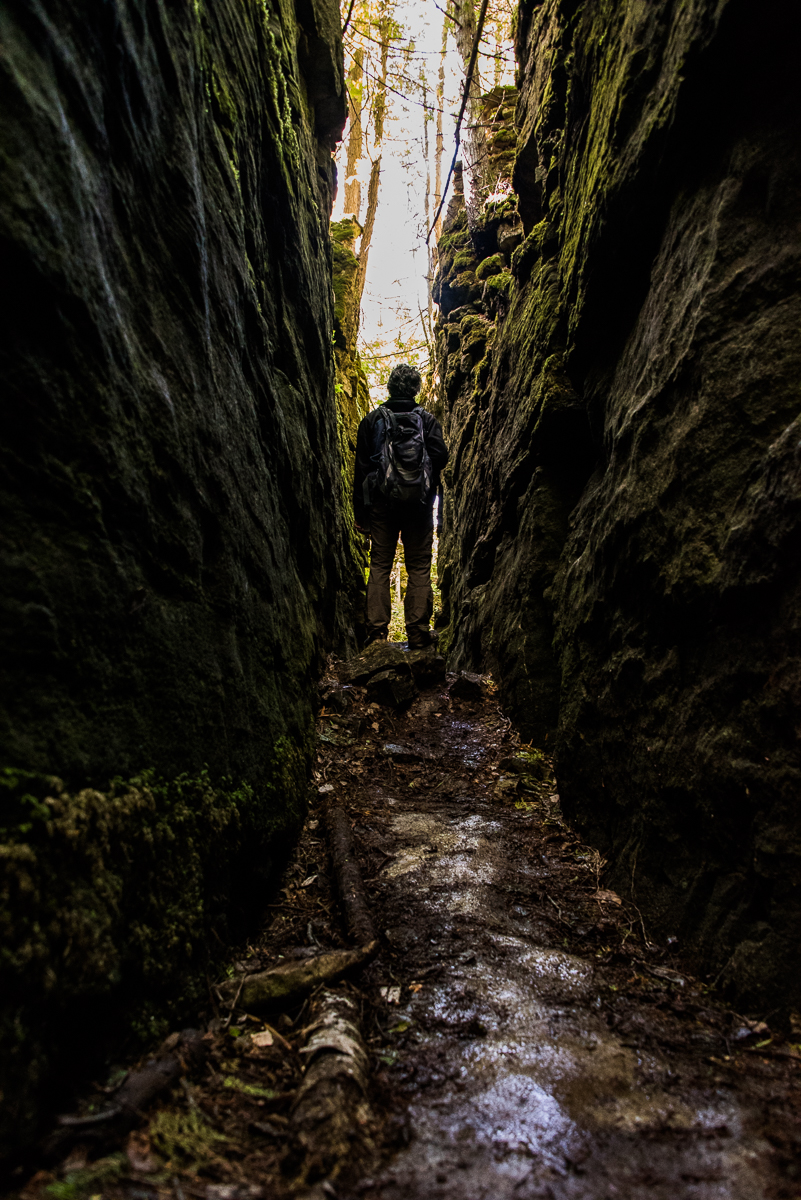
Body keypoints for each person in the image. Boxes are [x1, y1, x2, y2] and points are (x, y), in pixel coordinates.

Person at [354, 364, 449, 648]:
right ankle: (418, 634)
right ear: (416, 389)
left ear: (390, 387)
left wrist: (361, 514)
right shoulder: (427, 420)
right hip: (419, 506)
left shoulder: (372, 420)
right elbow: (441, 457)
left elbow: (360, 471)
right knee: (419, 566)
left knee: (380, 565)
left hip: (382, 505)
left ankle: (378, 636)